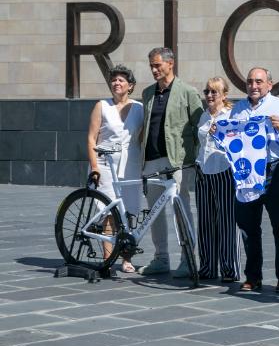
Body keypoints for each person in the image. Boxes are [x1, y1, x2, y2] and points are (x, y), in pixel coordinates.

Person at [230, 67, 279, 293]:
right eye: (250, 81)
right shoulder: (238, 109)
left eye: (259, 82)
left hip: (275, 169)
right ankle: (253, 276)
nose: (254, 86)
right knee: (248, 226)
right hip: (248, 173)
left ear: (269, 85)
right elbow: (233, 140)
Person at [137, 47, 204, 277]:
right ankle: (161, 258)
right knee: (154, 212)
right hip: (152, 160)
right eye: (152, 66)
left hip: (177, 161)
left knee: (181, 210)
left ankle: (187, 260)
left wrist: (194, 159)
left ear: (170, 64)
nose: (154, 70)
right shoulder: (147, 94)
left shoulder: (188, 92)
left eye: (158, 65)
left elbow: (199, 127)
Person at [86, 65, 144, 274]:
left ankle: (126, 258)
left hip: (130, 164)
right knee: (110, 212)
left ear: (130, 86)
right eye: (114, 80)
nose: (116, 83)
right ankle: (108, 257)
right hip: (105, 164)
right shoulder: (102, 106)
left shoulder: (139, 108)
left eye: (121, 80)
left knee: (128, 212)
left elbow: (142, 137)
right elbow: (92, 138)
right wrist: (94, 166)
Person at [195, 77, 240, 283]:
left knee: (227, 221)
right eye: (207, 92)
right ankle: (207, 267)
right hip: (203, 170)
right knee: (205, 221)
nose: (210, 96)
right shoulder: (204, 115)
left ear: (224, 94)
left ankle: (229, 268)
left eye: (214, 92)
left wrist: (221, 133)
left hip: (223, 170)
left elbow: (237, 144)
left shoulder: (231, 115)